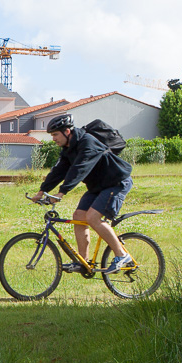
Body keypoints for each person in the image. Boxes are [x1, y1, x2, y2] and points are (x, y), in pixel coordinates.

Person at [32, 114, 135, 274]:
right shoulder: (68, 149)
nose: (53, 139)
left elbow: (79, 169)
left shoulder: (88, 143)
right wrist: (41, 191)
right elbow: (59, 171)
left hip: (116, 182)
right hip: (98, 186)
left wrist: (61, 193)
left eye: (55, 134)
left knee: (93, 217)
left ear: (67, 131)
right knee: (79, 216)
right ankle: (83, 262)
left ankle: (122, 255)